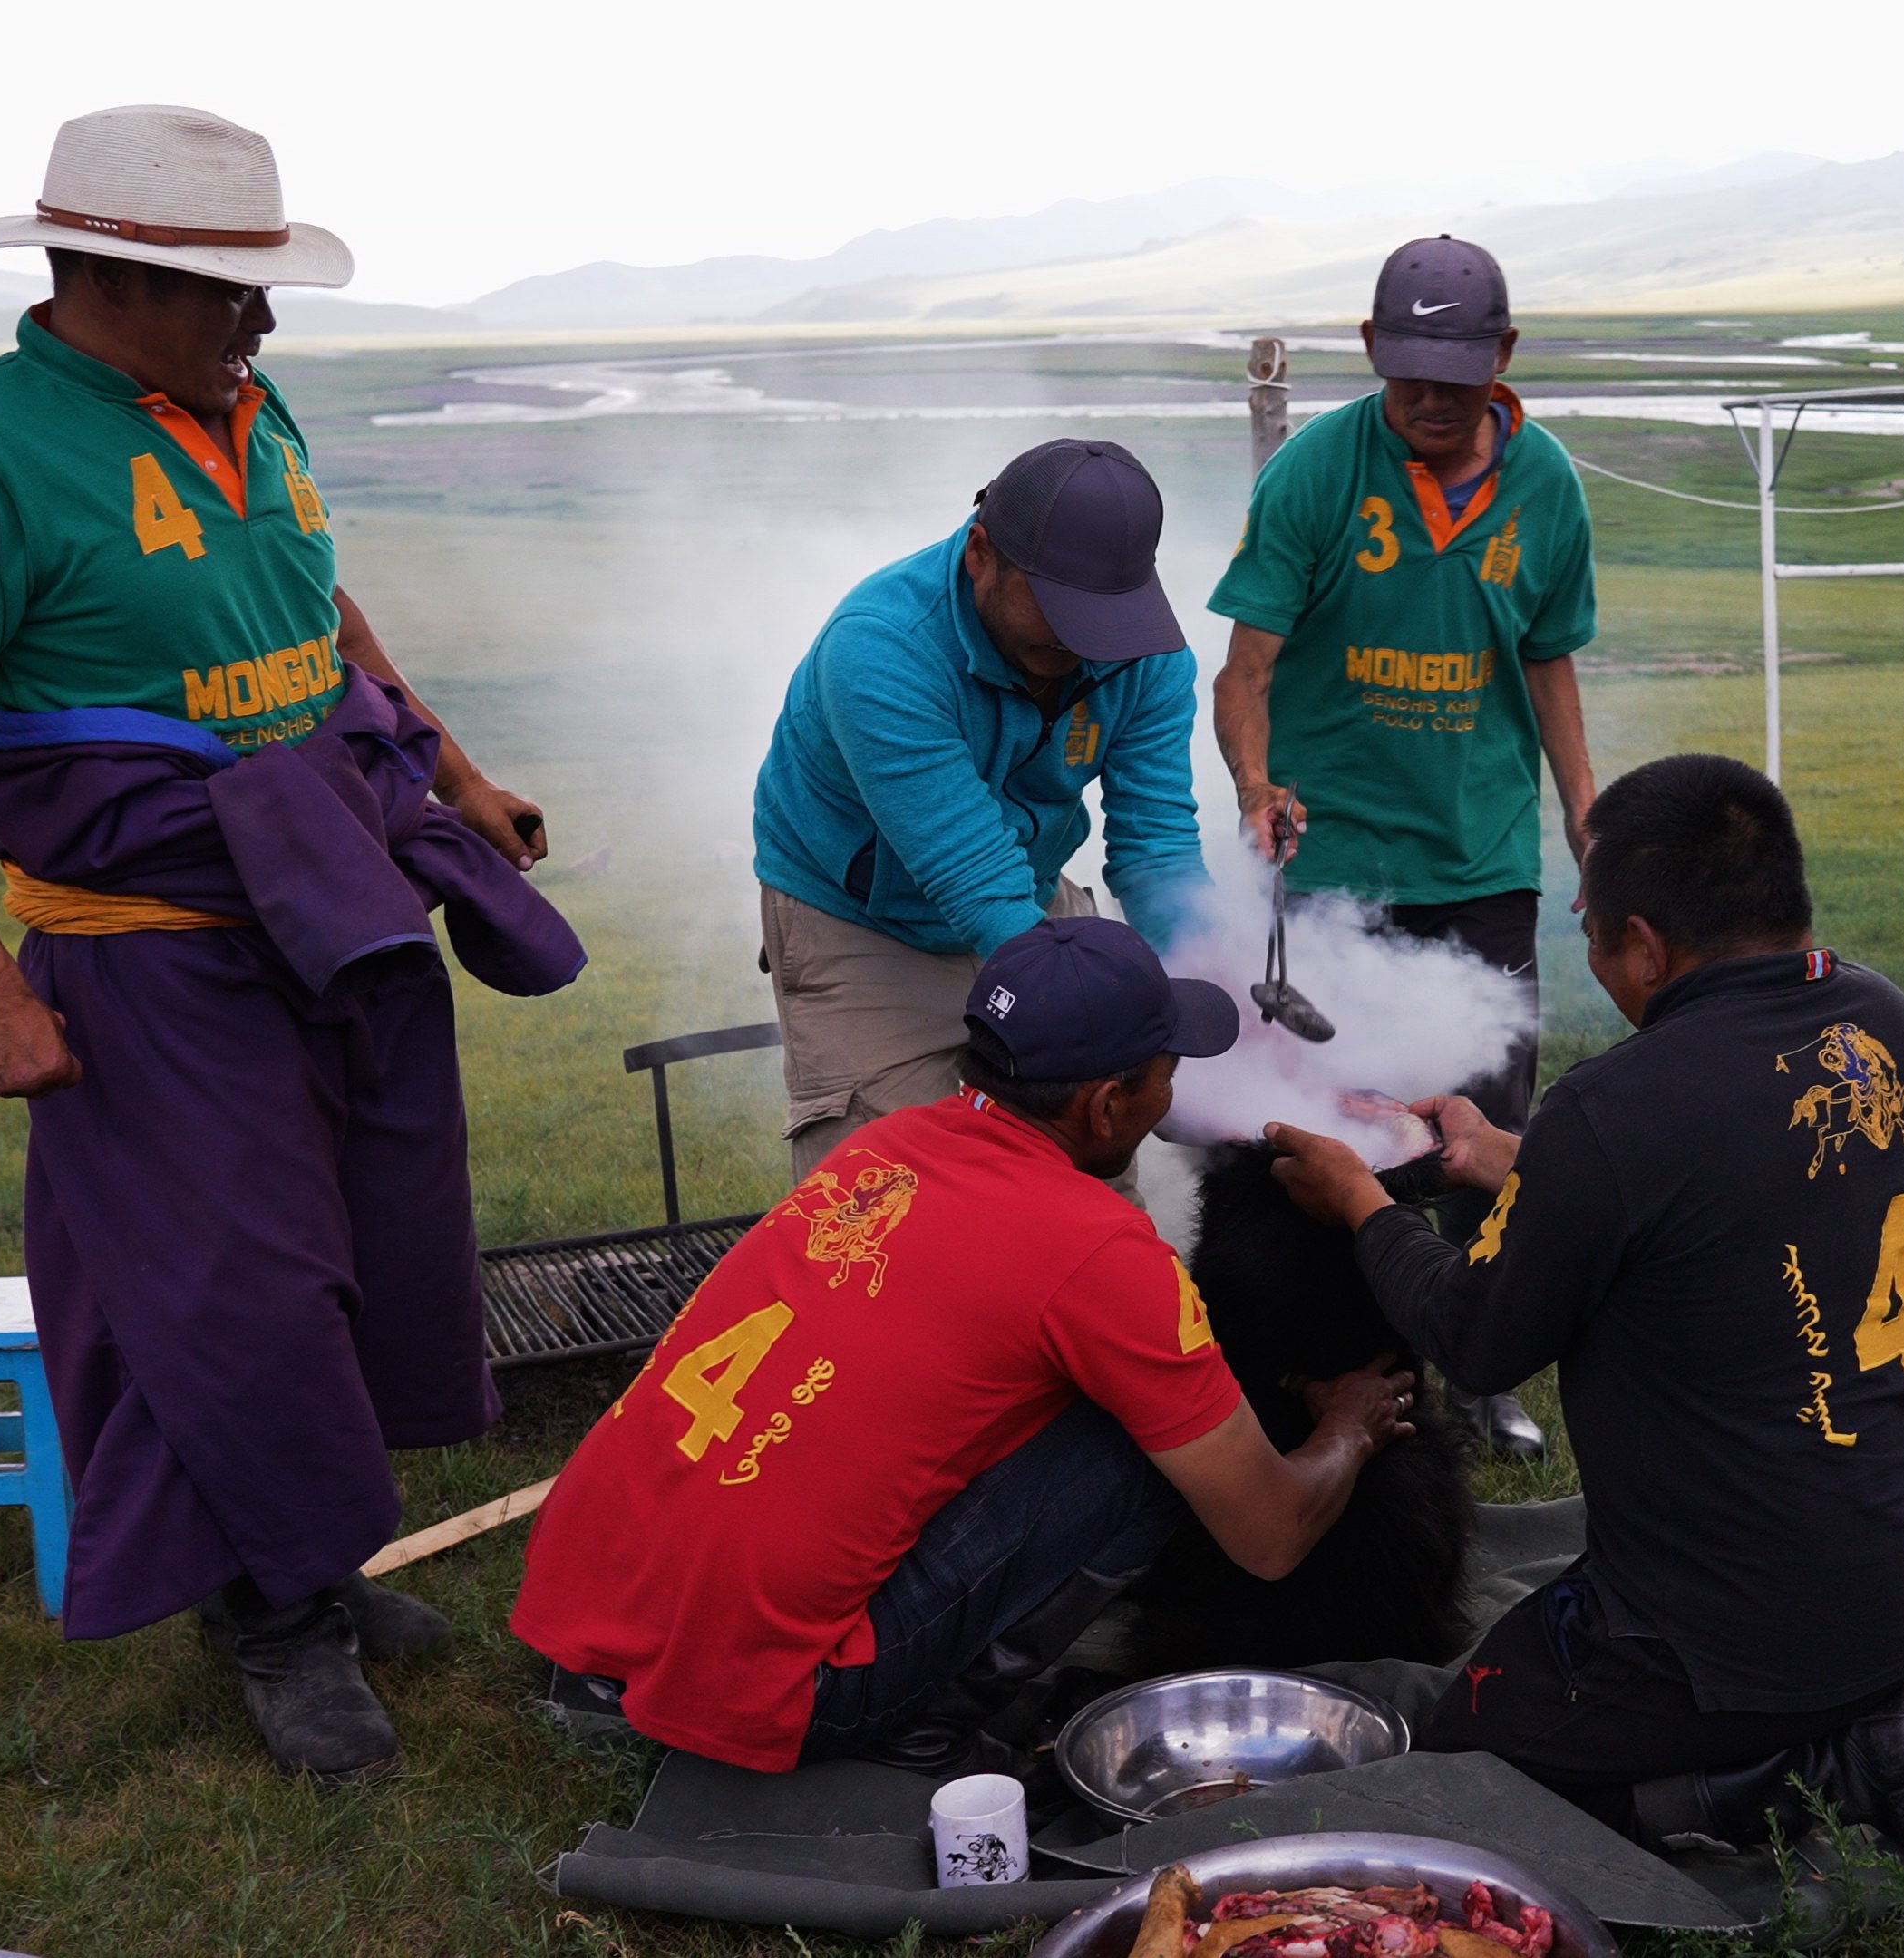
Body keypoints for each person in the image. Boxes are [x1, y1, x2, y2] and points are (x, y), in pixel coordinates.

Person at [0, 106, 581, 1786]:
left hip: (325, 905)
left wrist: (452, 770)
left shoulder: (244, 400)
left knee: (369, 1244)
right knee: (229, 1289)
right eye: (229, 290)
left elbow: (319, 607)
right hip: (148, 950)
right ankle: (272, 1623)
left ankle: (305, 1554)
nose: (264, 318)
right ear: (105, 274)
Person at [1264, 754, 1904, 1897]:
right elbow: (1722, 1189)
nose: (1592, 959)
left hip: (1746, 1622)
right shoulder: (1882, 1023)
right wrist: (1501, 1158)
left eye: (1590, 934)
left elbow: (1478, 1340)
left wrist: (1362, 1204)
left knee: (1469, 1754)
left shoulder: (1613, 1107)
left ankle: (1825, 1766)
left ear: (1644, 943)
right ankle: (1863, 1709)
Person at [512, 917, 1414, 1774]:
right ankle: (921, 1726)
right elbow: (1268, 1536)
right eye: (1167, 1072)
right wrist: (1348, 1428)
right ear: (1106, 1104)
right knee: (1143, 1448)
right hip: (774, 1692)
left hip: (581, 1605)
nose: (1175, 1094)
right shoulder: (1101, 1253)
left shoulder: (883, 1149)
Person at [1210, 236, 1595, 1457]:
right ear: (1373, 350)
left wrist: (1586, 815)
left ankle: (1484, 1363)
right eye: (1410, 372)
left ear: (1505, 357)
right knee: (1326, 1117)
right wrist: (1256, 781)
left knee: (1484, 1125)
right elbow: (1246, 667)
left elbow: (1548, 662)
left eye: (1459, 375)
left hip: (1482, 857)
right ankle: (1325, 1353)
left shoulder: (1549, 490)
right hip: (1333, 872)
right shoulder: (1320, 472)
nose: (1431, 400)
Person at [753, 439, 1209, 1183]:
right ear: (979, 554)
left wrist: (1204, 970)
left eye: (1104, 617)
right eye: (1062, 610)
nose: (1082, 643)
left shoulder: (1145, 650)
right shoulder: (879, 650)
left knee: (1080, 1156)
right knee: (888, 1192)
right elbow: (975, 879)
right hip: (866, 916)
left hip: (1025, 888)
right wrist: (1101, 1016)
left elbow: (1156, 846)